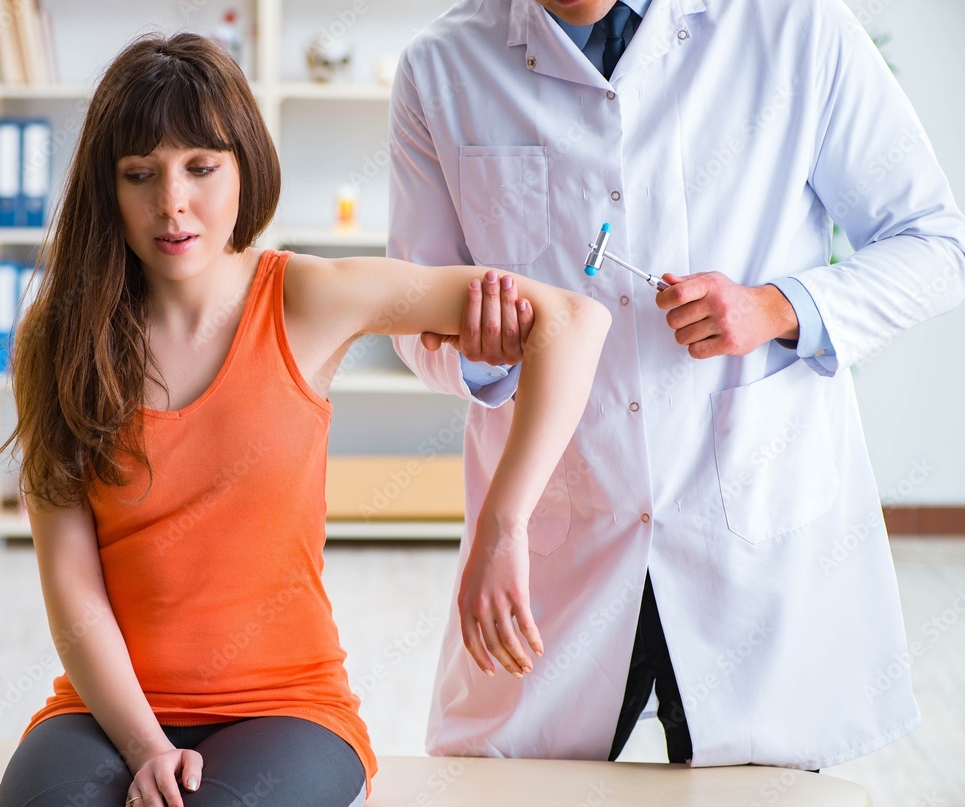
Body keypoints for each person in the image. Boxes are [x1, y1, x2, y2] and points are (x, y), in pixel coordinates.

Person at [0, 33, 611, 807]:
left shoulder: (305, 298)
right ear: (106, 187)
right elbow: (70, 585)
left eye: (201, 166)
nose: (172, 202)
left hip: (287, 704)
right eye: (139, 174)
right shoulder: (52, 336)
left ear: (245, 165)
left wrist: (505, 524)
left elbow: (572, 321)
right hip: (106, 707)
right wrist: (146, 745)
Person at [388, 0, 965, 770]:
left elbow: (935, 245)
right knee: (518, 785)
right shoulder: (443, 65)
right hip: (560, 534)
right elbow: (410, 312)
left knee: (757, 782)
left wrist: (778, 307)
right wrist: (476, 351)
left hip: (750, 535)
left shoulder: (796, 27)